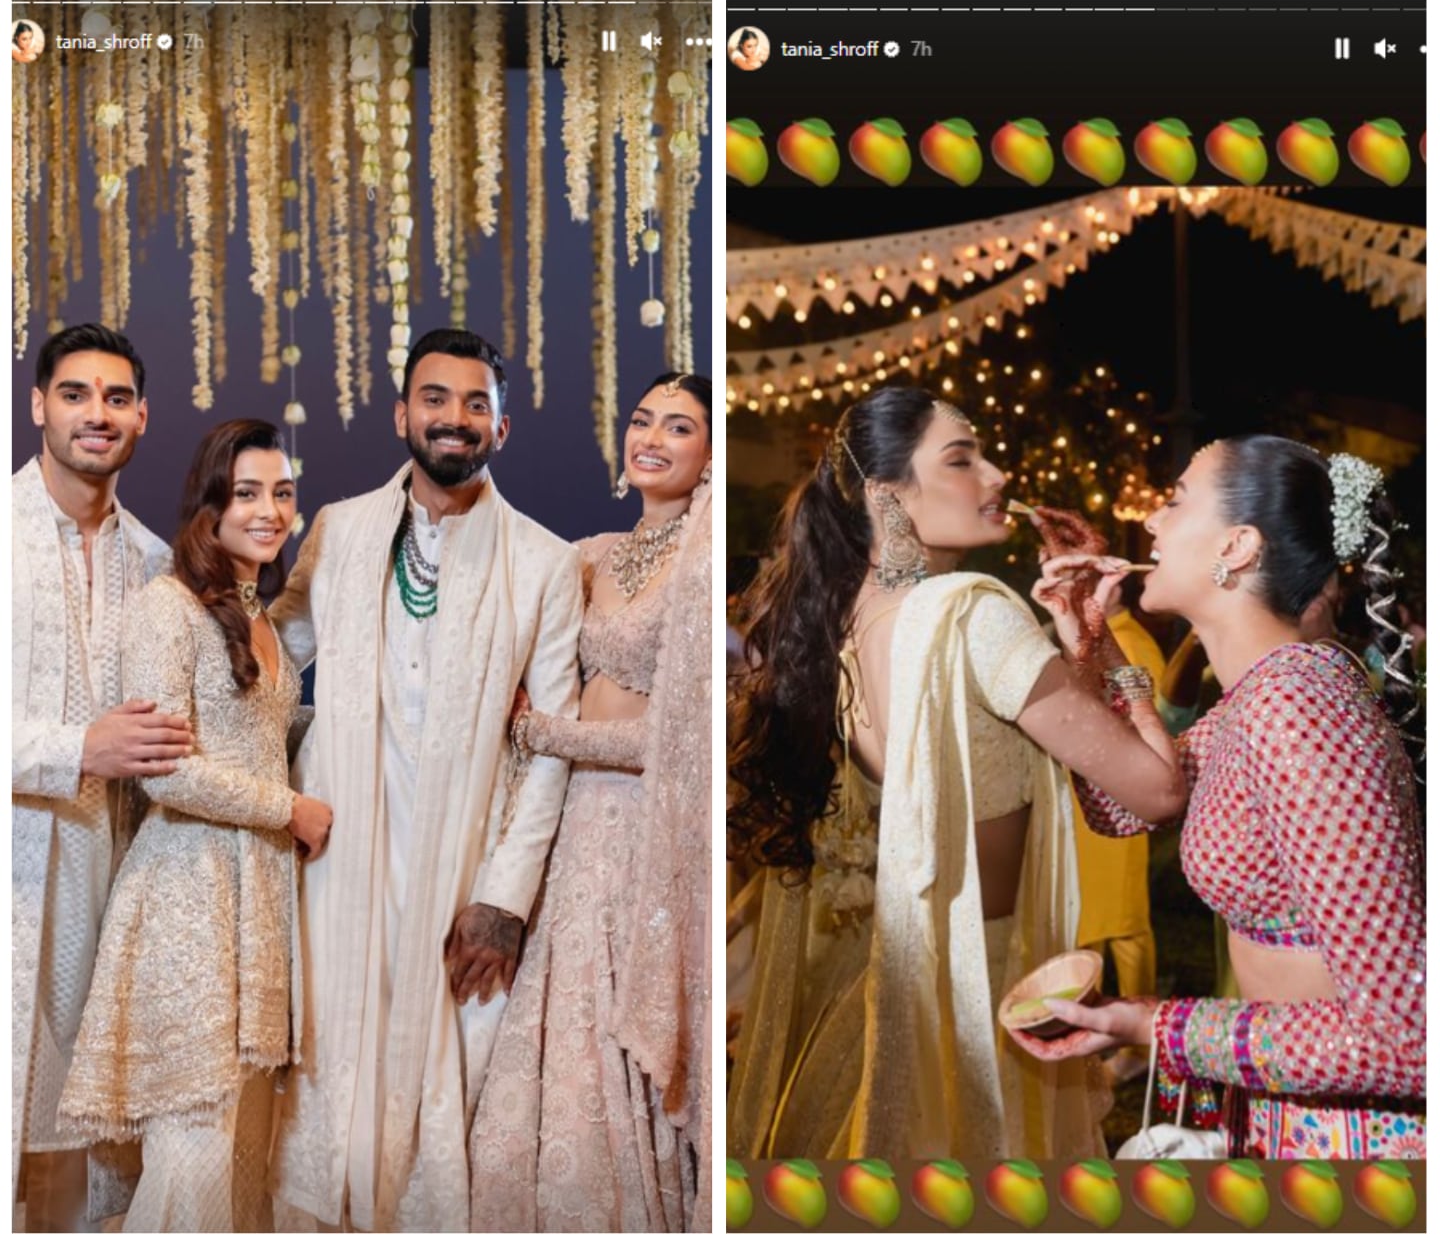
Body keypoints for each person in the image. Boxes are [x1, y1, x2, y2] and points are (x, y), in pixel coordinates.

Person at [727, 385, 1188, 1161]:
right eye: (963, 458)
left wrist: (1074, 640)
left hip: (885, 986)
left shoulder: (841, 617)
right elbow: (1157, 788)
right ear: (886, 494)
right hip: (982, 1003)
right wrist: (1105, 646)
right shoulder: (974, 615)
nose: (997, 473)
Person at [1015, 436, 1425, 1159]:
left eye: (1173, 500)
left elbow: (1409, 1035)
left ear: (1235, 546)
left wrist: (1155, 1025)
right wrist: (1091, 644)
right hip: (1294, 1106)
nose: (1149, 522)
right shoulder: (1264, 695)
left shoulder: (1300, 705)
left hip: (1358, 1138)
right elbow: (1131, 802)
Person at [268, 328, 584, 1232]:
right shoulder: (340, 528)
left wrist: (504, 898)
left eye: (475, 403)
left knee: (449, 1073)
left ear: (503, 425)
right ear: (402, 413)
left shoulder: (544, 562)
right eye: (436, 399)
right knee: (329, 1053)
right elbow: (279, 660)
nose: (455, 418)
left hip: (463, 862)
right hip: (339, 849)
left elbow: (555, 742)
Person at [58, 420, 329, 1230]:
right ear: (208, 503)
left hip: (258, 901)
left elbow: (257, 736)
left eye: (282, 493)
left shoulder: (264, 618)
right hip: (185, 897)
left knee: (245, 1145)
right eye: (247, 492)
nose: (270, 510)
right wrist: (291, 809)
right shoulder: (165, 607)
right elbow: (165, 767)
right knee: (194, 1146)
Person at [468, 373, 711, 1232]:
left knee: (617, 1036)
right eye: (643, 419)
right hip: (568, 824)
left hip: (645, 825)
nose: (651, 436)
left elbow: (679, 742)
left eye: (679, 427)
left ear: (710, 455)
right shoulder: (592, 552)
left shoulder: (701, 568)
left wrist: (547, 735)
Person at [12, 323, 182, 1232]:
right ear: (37, 406)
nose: (96, 413)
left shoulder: (155, 563)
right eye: (74, 393)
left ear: (142, 417)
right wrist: (78, 746)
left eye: (116, 398)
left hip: (115, 878)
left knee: (98, 1142)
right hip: (13, 869)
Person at [1071, 576, 1166, 1086]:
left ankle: (1140, 1040)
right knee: (1096, 917)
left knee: (1127, 921)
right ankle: (1094, 1015)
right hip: (1096, 800)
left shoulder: (1130, 643)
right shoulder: (1104, 638)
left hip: (1122, 796)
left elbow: (1145, 723)